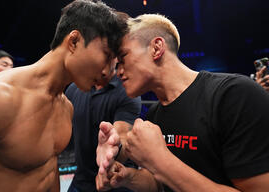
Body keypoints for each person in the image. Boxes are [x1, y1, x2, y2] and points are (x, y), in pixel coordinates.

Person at [95, 14, 269, 192]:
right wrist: (127, 177)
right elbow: (160, 183)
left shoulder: (234, 95)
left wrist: (160, 160)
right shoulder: (155, 115)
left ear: (156, 48)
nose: (118, 72)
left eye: (123, 58)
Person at [0, 0, 127, 191]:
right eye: (107, 56)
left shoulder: (66, 107)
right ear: (74, 41)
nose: (109, 72)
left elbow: (48, 173)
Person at [64, 57, 141, 192]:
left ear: (116, 58)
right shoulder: (73, 89)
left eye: (107, 54)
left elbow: (122, 134)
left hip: (116, 182)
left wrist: (113, 149)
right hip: (81, 181)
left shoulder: (127, 90)